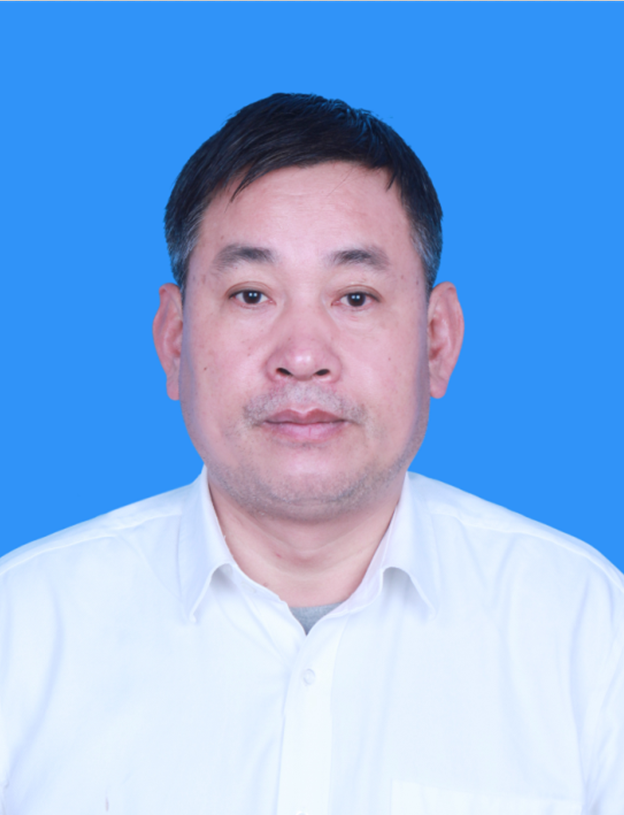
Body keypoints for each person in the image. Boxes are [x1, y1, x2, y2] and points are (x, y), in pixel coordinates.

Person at [0, 93, 622, 815]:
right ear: (174, 341)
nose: (301, 356)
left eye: (355, 297)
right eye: (251, 294)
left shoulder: (586, 632)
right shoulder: (24, 631)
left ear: (437, 341)